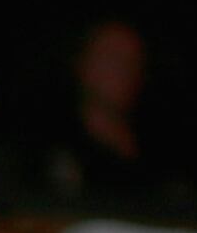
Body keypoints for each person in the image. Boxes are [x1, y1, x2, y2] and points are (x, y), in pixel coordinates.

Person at [48, 18, 152, 197]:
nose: (123, 70)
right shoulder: (48, 149)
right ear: (82, 64)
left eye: (133, 61)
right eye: (112, 58)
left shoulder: (164, 149)